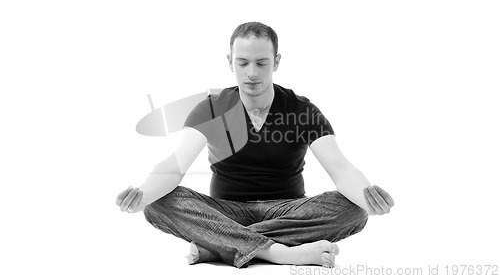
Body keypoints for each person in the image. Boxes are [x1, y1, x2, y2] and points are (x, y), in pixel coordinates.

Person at [116, 21, 395, 268]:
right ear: (230, 61)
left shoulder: (302, 109)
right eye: (243, 63)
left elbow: (341, 169)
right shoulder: (211, 109)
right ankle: (278, 253)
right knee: (157, 204)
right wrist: (143, 193)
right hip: (225, 210)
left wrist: (367, 197)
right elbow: (174, 166)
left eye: (261, 63)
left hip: (287, 210)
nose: (251, 73)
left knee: (354, 211)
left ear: (276, 62)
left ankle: (220, 245)